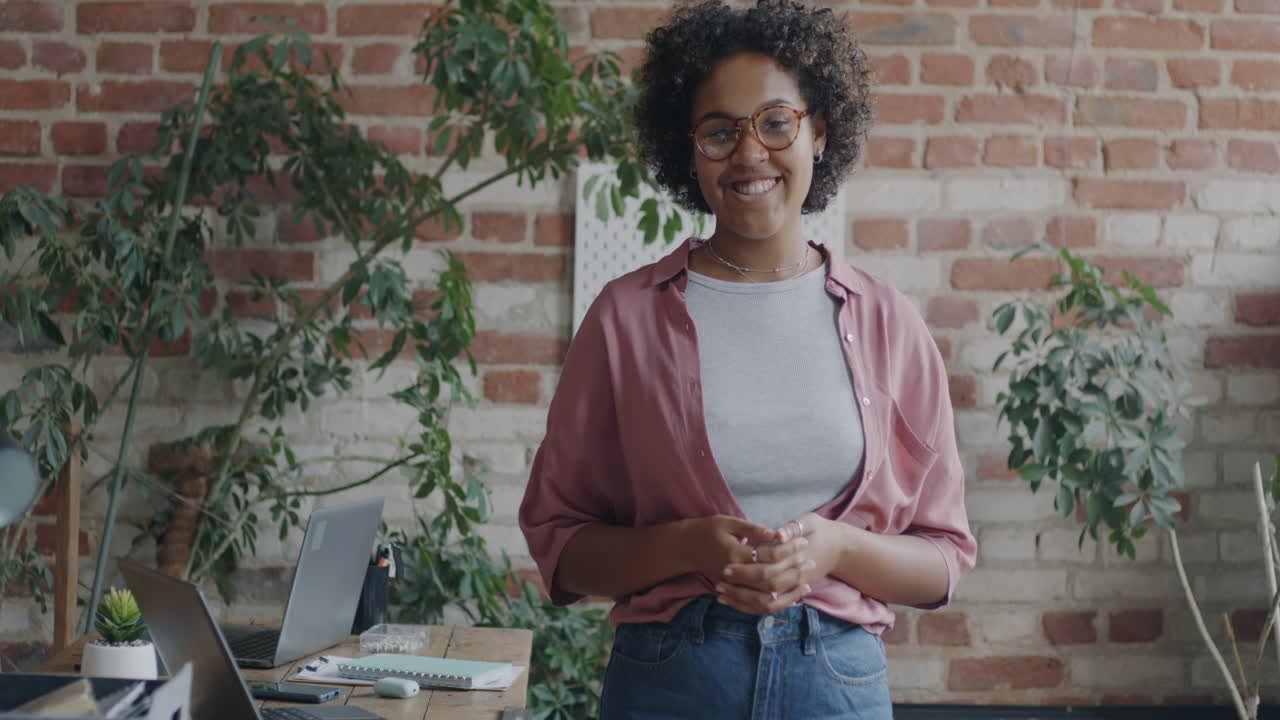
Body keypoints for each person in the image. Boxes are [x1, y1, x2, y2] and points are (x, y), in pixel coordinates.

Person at [519, 1, 977, 717]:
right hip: (670, 682)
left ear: (819, 131)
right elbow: (562, 551)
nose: (749, 153)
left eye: (775, 122)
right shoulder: (624, 319)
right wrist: (689, 546)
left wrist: (835, 549)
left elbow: (943, 561)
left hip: (836, 685)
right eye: (719, 132)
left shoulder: (889, 323)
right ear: (687, 148)